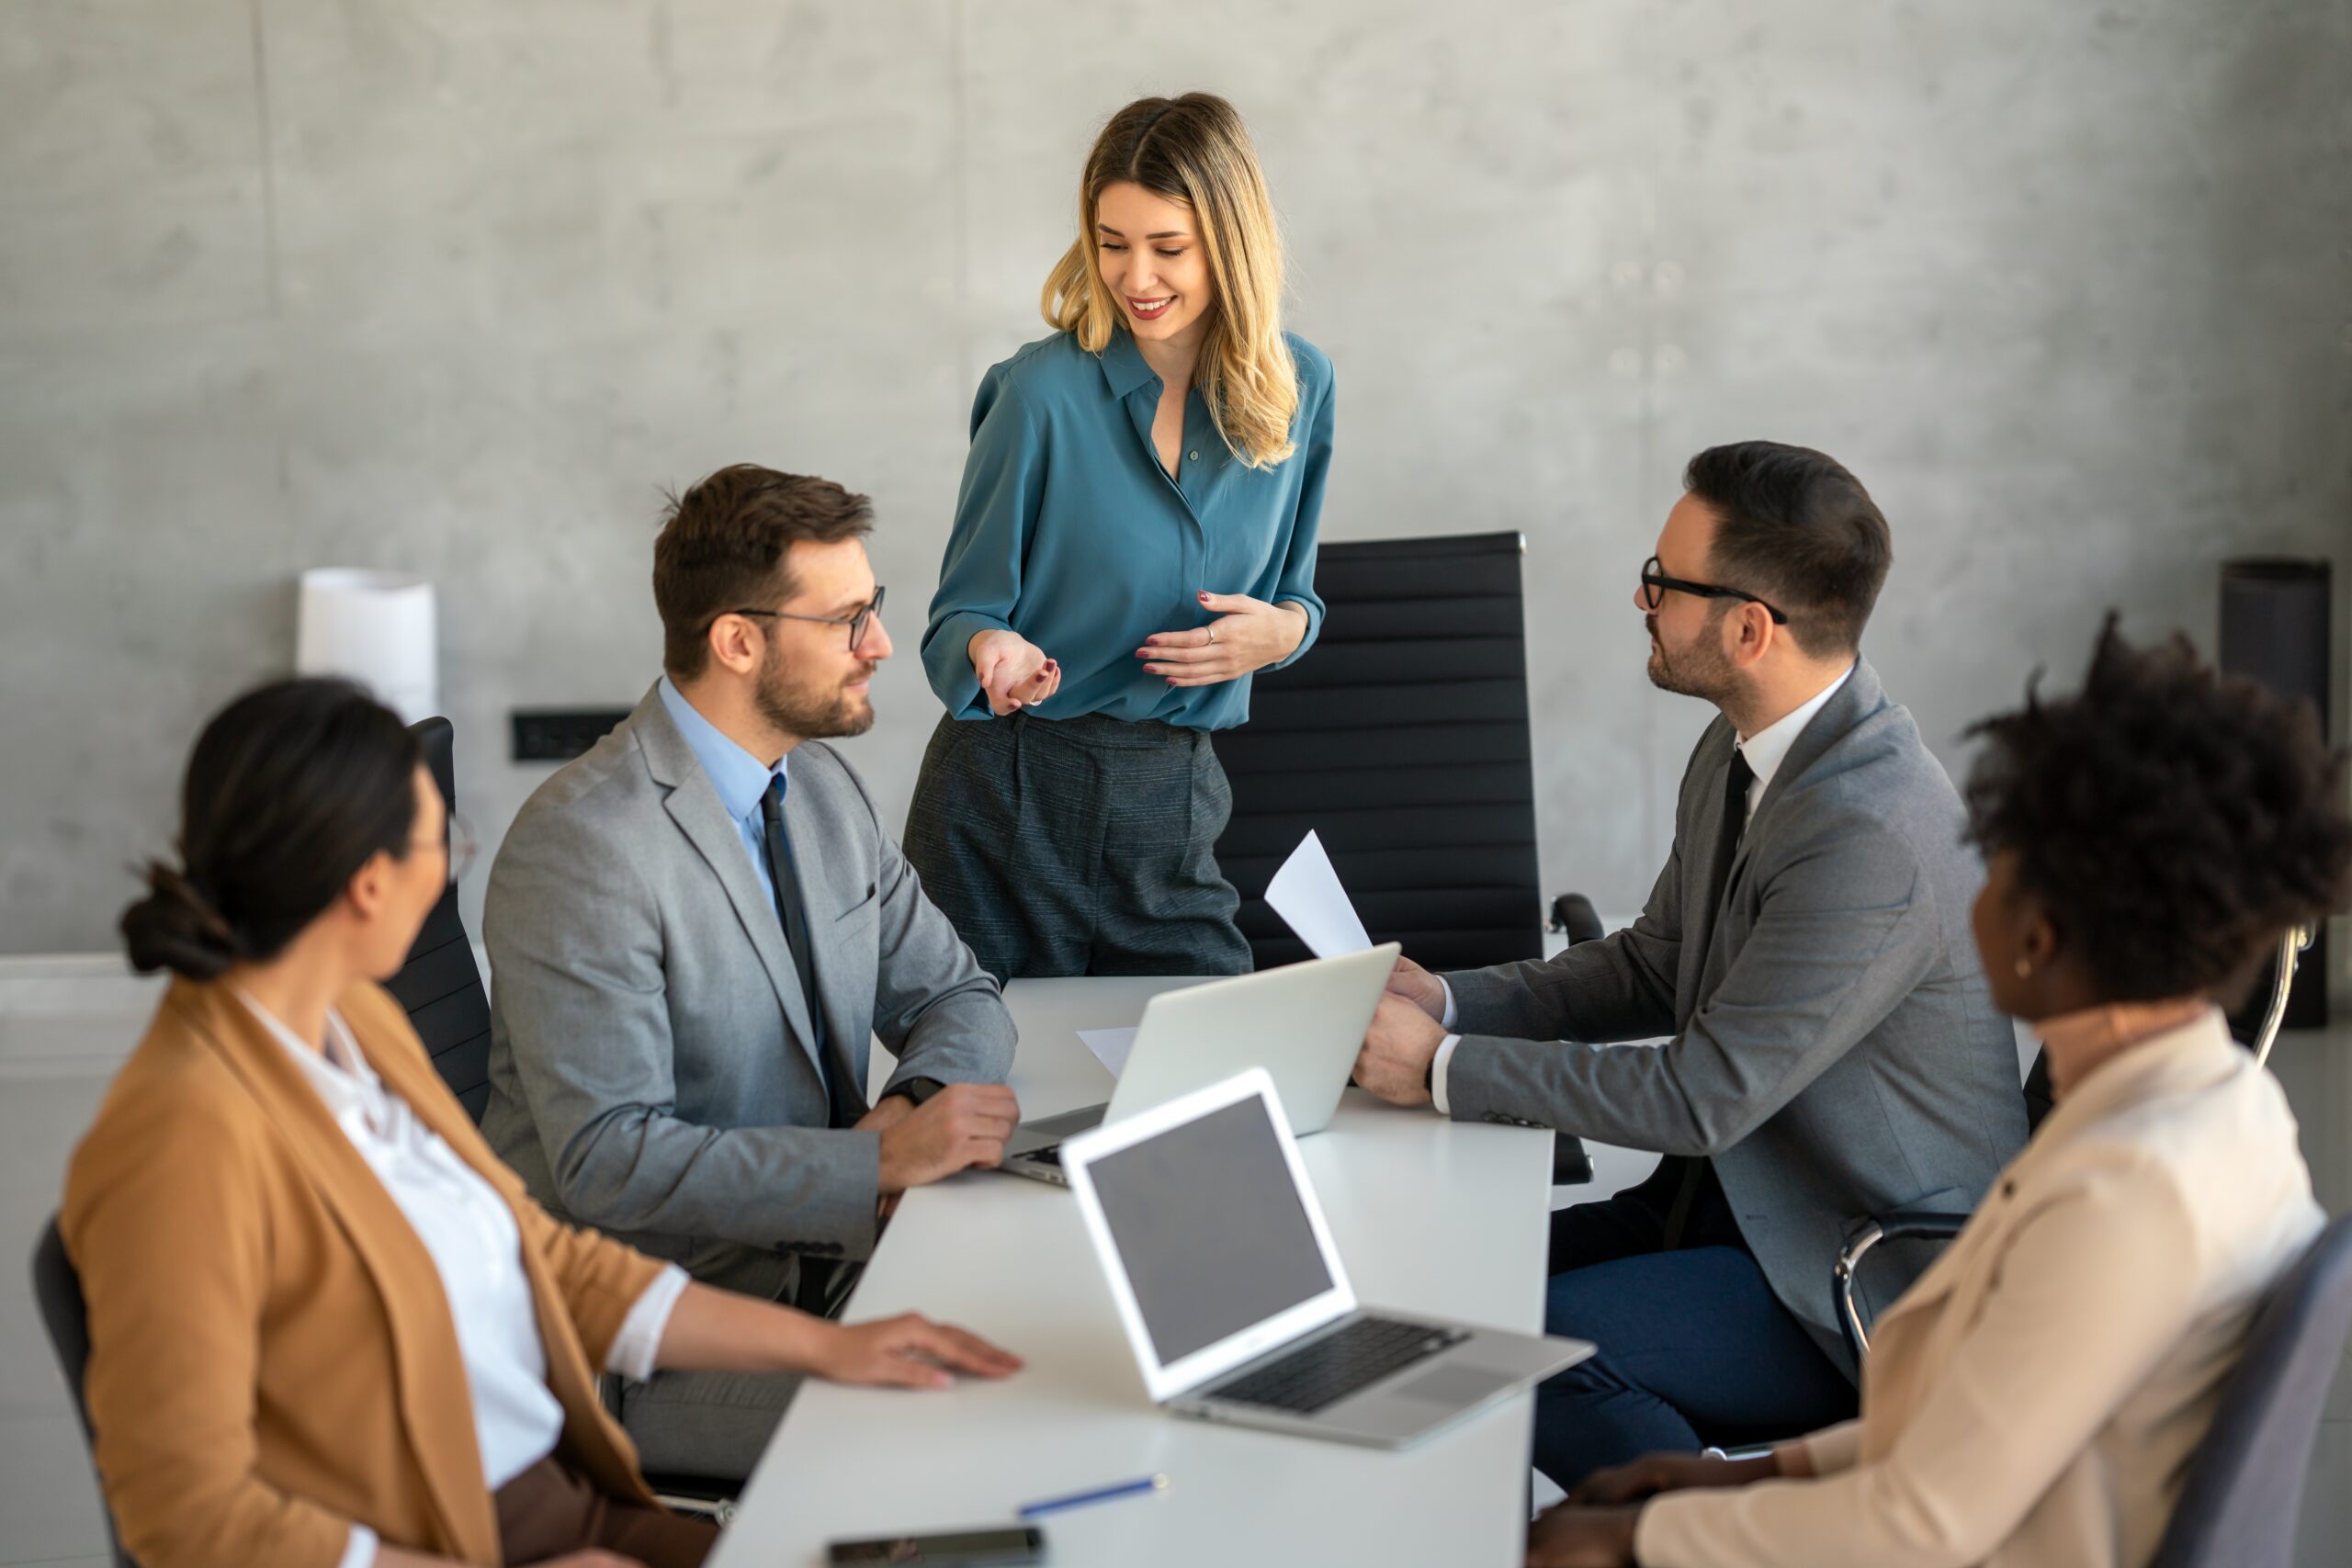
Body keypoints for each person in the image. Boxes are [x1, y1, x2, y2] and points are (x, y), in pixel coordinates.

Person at [62, 679, 1021, 1568]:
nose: (452, 869)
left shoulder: (350, 1024)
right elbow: (183, 1517)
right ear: (368, 885)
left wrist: (835, 1348)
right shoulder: (179, 1138)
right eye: (448, 845)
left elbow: (546, 1263)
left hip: (556, 1492)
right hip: (458, 1538)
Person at [1524, 616, 2347, 1568]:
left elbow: (1919, 1525)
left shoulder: (2117, 1198)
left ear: (2036, 939)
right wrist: (1747, 1476)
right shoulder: (2227, 1117)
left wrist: (1648, 1540)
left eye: (1989, 867)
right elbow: (1973, 1430)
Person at [1352, 441, 2028, 1486]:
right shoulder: (1745, 746)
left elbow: (1703, 1094)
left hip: (1859, 1273)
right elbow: (1657, 964)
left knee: (1517, 1358)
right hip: (1739, 1201)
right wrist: (1448, 1001)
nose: (1640, 595)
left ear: (1748, 629)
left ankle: (1704, 1545)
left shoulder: (1869, 833)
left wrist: (1441, 1068)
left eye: (1662, 583)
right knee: (1438, 1291)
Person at [481, 466, 1021, 1481]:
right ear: (738, 641)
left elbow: (955, 994)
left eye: (876, 610)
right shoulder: (585, 848)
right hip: (653, 1340)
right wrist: (876, 1169)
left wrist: (912, 1102)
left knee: (1064, 1343)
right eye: (848, 619)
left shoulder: (815, 784)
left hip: (828, 1266)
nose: (882, 646)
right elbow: (608, 1160)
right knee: (969, 1435)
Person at [904, 91, 1336, 981]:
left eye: (1168, 248)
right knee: (993, 1104)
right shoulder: (1036, 395)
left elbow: (1298, 595)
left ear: (1232, 242)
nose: (1135, 278)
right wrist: (994, 648)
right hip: (1006, 799)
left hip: (1170, 803)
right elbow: (958, 619)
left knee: (1212, 1094)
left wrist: (1284, 633)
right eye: (1112, 244)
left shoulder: (1300, 388)